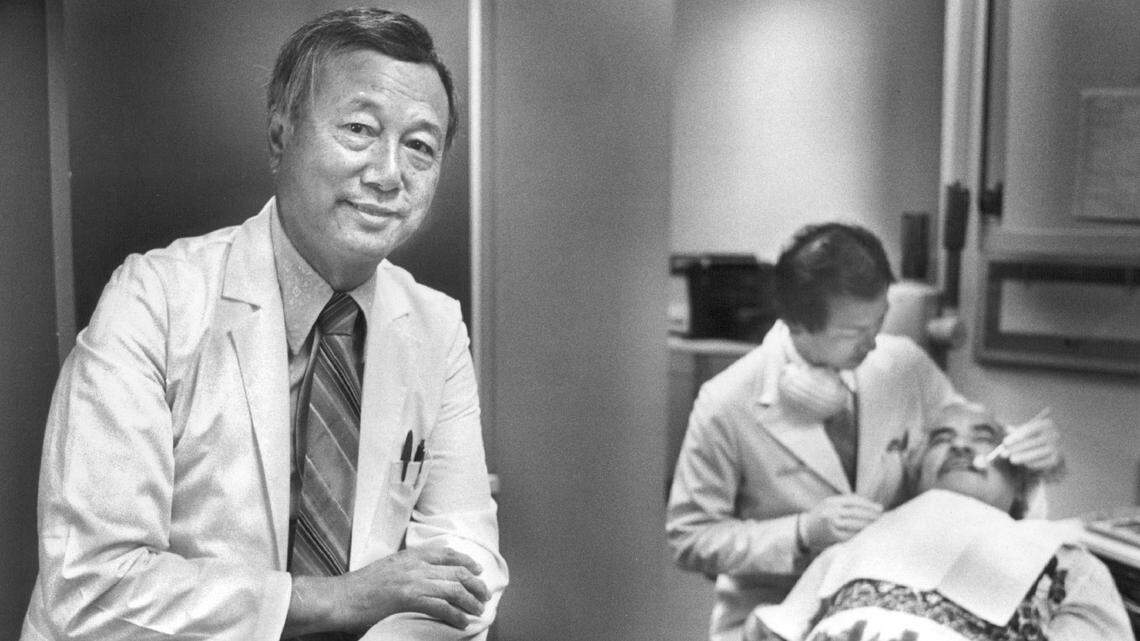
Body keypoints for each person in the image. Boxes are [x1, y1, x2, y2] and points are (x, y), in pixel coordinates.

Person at [21, 8, 506, 641]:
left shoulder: (436, 328)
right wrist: (338, 601)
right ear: (281, 135)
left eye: (419, 146)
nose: (389, 174)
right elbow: (89, 590)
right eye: (360, 129)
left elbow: (466, 567)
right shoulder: (154, 300)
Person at [666, 222, 1062, 641]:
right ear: (797, 325)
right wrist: (802, 532)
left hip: (890, 592)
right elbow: (690, 537)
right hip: (778, 608)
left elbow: (964, 432)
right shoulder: (727, 403)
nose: (872, 344)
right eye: (853, 333)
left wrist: (1029, 448)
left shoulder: (903, 364)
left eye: (878, 321)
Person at [744, 401, 1132, 641]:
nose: (960, 445)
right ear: (916, 475)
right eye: (941, 439)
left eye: (983, 437)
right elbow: (773, 632)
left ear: (1020, 486)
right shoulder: (854, 546)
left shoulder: (1067, 562)